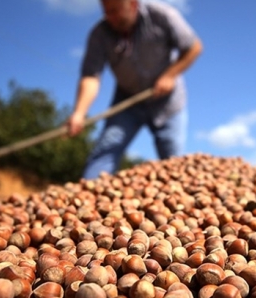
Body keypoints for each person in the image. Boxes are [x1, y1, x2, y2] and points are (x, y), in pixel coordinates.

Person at [66, 0, 203, 179]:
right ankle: (85, 194)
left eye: (115, 11)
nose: (110, 17)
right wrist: (79, 112)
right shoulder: (99, 34)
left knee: (174, 163)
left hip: (168, 102)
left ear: (132, 4)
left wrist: (170, 75)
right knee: (105, 151)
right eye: (106, 11)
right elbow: (91, 77)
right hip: (127, 101)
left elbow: (193, 47)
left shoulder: (162, 15)